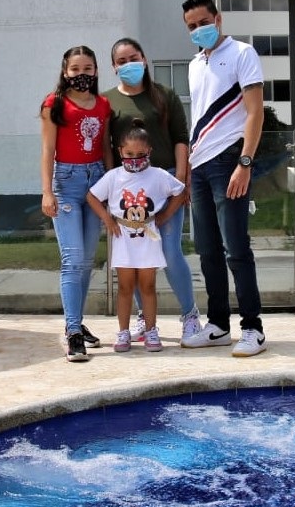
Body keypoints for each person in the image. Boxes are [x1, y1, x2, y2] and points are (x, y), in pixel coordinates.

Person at [178, 0, 267, 357]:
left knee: (236, 248)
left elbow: (254, 112)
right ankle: (218, 325)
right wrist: (187, 173)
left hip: (230, 160)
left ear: (218, 19)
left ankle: (253, 328)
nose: (198, 30)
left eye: (203, 22)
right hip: (199, 165)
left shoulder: (243, 54)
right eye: (191, 27)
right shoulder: (194, 64)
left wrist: (244, 163)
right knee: (208, 250)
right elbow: (198, 117)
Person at [102, 38, 201, 343]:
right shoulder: (107, 102)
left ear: (144, 59)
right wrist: (111, 186)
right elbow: (108, 148)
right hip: (129, 192)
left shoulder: (164, 95)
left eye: (133, 57)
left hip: (166, 183)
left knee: (169, 252)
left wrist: (181, 183)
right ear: (114, 67)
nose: (128, 64)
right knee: (133, 258)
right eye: (121, 61)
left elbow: (181, 138)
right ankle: (144, 319)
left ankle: (190, 316)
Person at [87, 119, 187, 353]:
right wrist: (107, 218)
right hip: (123, 238)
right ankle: (123, 331)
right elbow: (91, 196)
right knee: (124, 286)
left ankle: (151, 330)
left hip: (148, 239)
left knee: (148, 286)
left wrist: (163, 216)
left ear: (149, 151)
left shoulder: (158, 175)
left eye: (140, 153)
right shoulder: (113, 177)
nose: (134, 158)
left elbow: (180, 192)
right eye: (129, 153)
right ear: (120, 151)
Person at [40, 46, 110, 362]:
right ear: (65, 71)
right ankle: (72, 333)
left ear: (95, 71)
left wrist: (111, 185)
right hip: (66, 184)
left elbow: (106, 148)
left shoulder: (103, 105)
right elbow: (47, 150)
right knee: (73, 258)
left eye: (88, 68)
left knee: (86, 261)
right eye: (75, 69)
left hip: (96, 182)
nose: (81, 74)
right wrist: (47, 192)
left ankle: (77, 321)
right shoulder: (54, 104)